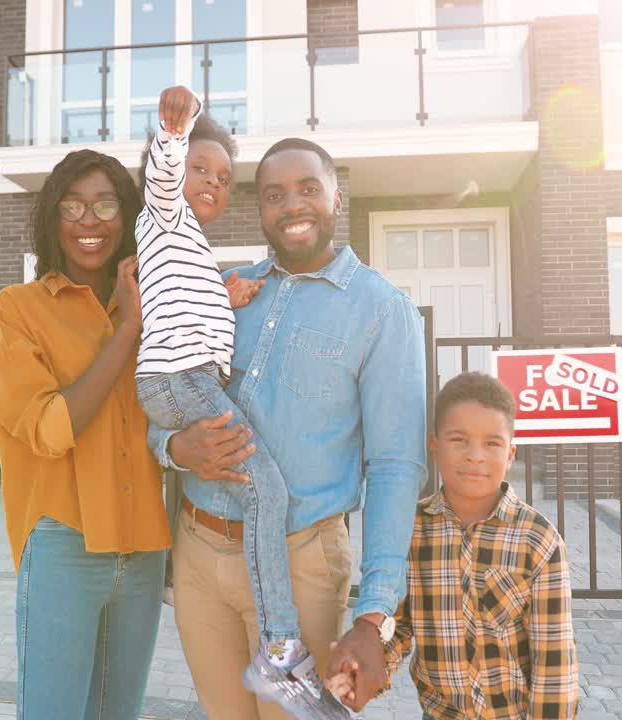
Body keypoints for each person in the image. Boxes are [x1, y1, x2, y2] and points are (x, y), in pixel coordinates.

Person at [148, 136, 427, 720]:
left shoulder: (381, 310)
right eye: (274, 194)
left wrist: (375, 615)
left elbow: (396, 465)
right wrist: (174, 448)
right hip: (199, 555)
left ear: (336, 198)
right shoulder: (223, 290)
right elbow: (167, 390)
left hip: (300, 565)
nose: (291, 205)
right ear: (261, 210)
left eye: (308, 189)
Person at [133, 86, 347, 719]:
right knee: (268, 491)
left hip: (181, 380)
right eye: (200, 170)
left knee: (257, 490)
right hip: (183, 381)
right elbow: (165, 179)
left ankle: (277, 641)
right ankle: (281, 646)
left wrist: (227, 298)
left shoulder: (190, 248)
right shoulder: (163, 214)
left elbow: (185, 307)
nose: (210, 183)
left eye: (224, 179)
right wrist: (175, 132)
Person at [0, 149, 168, 720]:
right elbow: (51, 428)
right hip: (62, 542)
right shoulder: (19, 309)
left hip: (144, 549)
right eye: (73, 206)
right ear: (52, 218)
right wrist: (127, 331)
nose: (90, 220)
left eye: (106, 204)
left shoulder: (152, 304)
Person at [327, 372, 580, 718]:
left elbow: (555, 666)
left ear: (511, 454)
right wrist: (364, 666)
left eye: (492, 443)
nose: (475, 456)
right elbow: (398, 628)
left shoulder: (538, 541)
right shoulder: (411, 529)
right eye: (459, 440)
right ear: (434, 446)